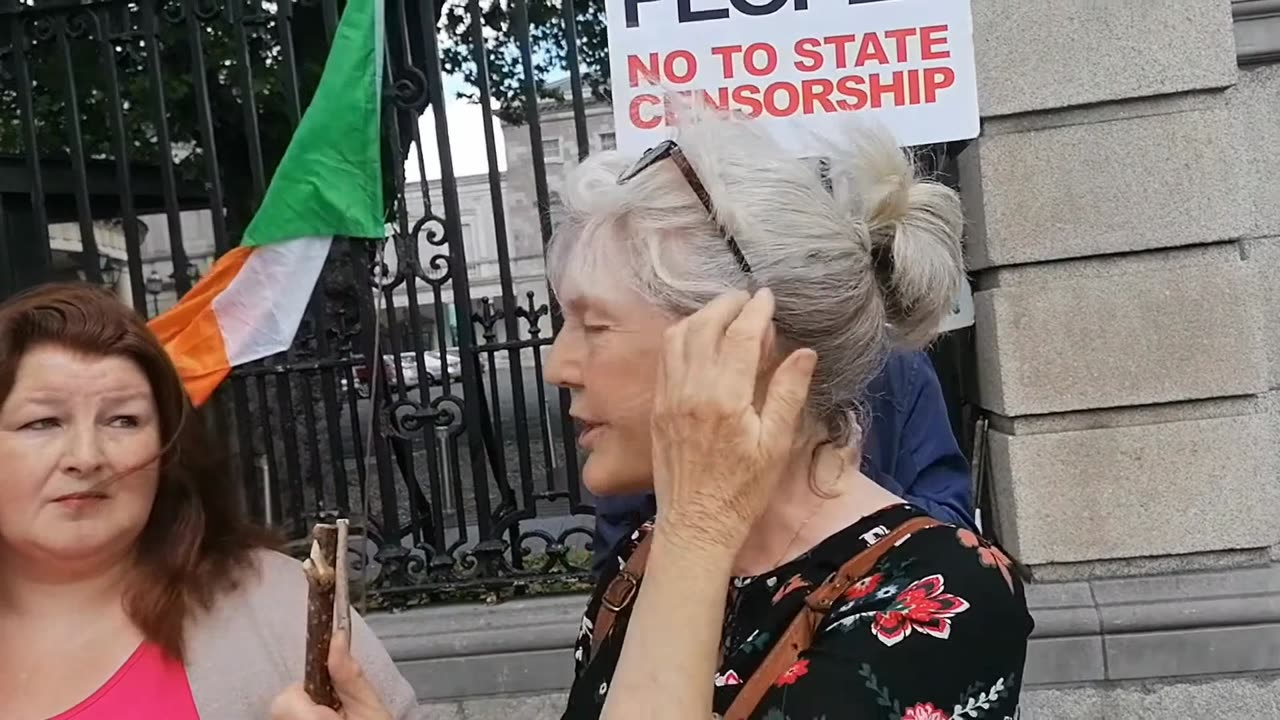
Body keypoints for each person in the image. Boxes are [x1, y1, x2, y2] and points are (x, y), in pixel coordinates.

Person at [275, 111, 1033, 719]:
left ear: (743, 345)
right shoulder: (651, 555)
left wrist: (697, 529)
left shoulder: (939, 593)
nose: (557, 366)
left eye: (593, 326)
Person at [0, 283, 422, 720]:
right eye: (43, 422)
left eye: (124, 420)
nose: (86, 458)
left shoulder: (279, 609)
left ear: (166, 450)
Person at [591, 348, 974, 575]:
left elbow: (953, 533)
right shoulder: (668, 384)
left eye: (597, 326)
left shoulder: (893, 367)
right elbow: (618, 564)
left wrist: (834, 480)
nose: (560, 365)